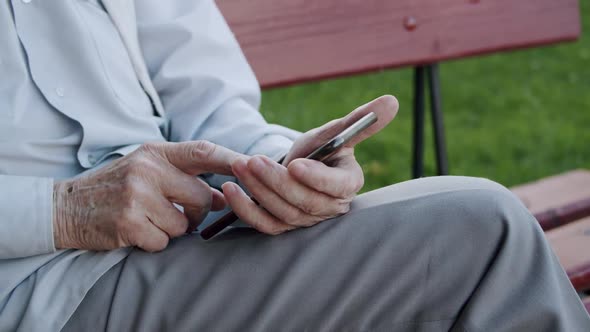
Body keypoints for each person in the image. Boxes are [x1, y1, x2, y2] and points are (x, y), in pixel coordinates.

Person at [1, 0, 588, 331]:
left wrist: (275, 165)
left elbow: (199, 88)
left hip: (186, 233)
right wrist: (60, 211)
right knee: (479, 235)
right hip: (42, 287)